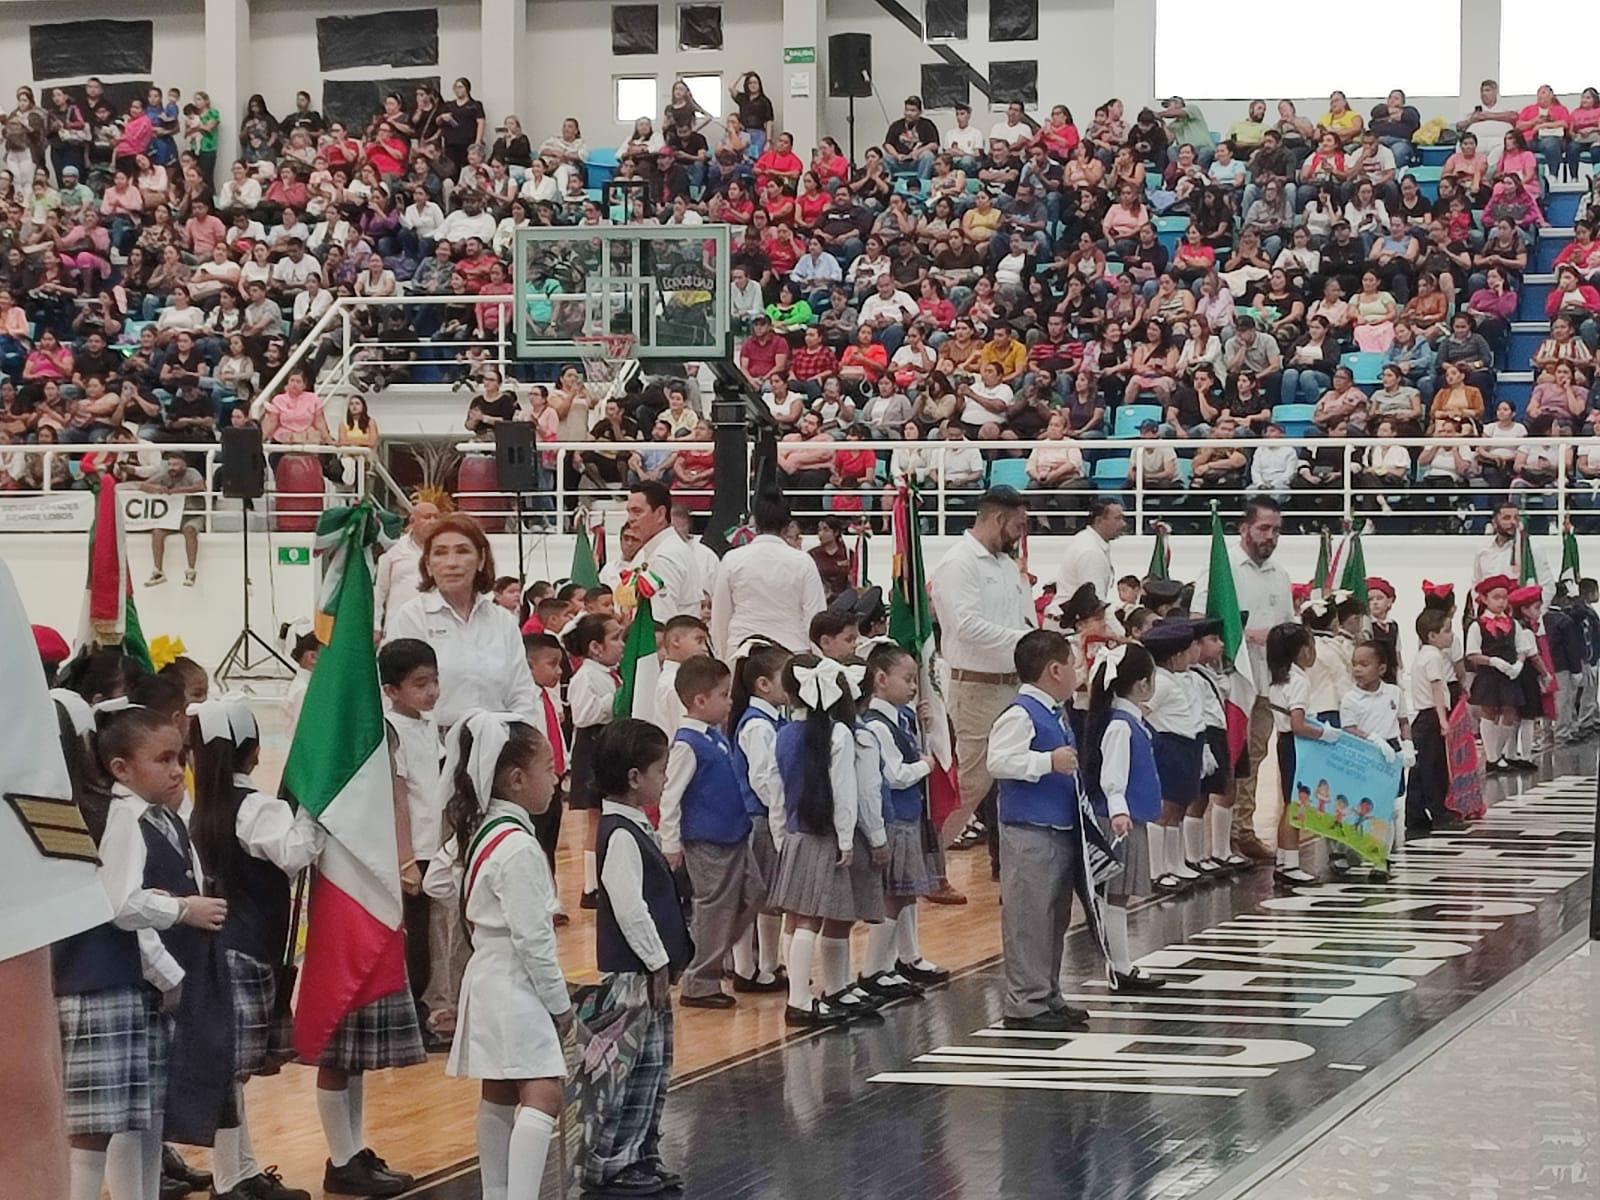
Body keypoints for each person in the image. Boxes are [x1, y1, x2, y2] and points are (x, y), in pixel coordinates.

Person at [56, 705, 228, 1200]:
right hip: (104, 982)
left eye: (180, 756)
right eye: (163, 759)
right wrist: (181, 910)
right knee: (95, 1130)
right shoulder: (119, 814)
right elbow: (121, 903)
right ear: (118, 767)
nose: (177, 769)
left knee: (140, 1116)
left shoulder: (134, 814)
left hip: (104, 982)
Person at [438, 711, 570, 1200]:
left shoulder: (481, 830)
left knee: (497, 1090)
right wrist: (560, 1004)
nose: (556, 780)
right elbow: (534, 940)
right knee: (543, 1092)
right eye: (549, 769)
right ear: (516, 779)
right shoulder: (518, 846)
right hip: (515, 981)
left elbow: (436, 881)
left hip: (486, 974)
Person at [590, 719, 691, 1194]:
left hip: (647, 974)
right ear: (634, 777)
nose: (665, 778)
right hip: (633, 976)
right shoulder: (620, 834)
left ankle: (642, 1153)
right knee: (630, 1071)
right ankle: (614, 1162)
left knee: (654, 1069)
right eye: (660, 770)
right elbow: (629, 906)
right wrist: (656, 961)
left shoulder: (634, 826)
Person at [986, 630, 1093, 1031]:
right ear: (1055, 670)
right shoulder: (1021, 713)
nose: (1077, 673)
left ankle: (1048, 993)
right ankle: (1025, 1003)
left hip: (1057, 826)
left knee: (1054, 917)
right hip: (1029, 830)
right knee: (1029, 917)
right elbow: (998, 761)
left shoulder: (1052, 711)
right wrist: (1047, 762)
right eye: (1073, 665)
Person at [928, 487, 1036, 868]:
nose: (1020, 533)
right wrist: (1026, 640)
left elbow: (1022, 619)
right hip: (975, 686)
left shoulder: (1006, 565)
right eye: (1018, 525)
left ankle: (1009, 867)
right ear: (997, 518)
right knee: (970, 785)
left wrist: (1038, 642)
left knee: (1017, 778)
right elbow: (966, 626)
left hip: (1014, 684)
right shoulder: (958, 563)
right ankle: (929, 864)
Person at [656, 655, 760, 1011]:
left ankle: (714, 955)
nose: (730, 701)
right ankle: (700, 980)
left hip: (733, 833)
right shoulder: (687, 743)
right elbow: (670, 796)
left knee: (754, 893)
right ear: (700, 701)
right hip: (708, 840)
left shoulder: (714, 736)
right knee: (714, 907)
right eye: (723, 695)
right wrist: (670, 842)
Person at [769, 654, 867, 1028]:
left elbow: (775, 792)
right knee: (810, 919)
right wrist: (846, 839)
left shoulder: (783, 734)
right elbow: (844, 793)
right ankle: (799, 1001)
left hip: (794, 834)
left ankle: (799, 994)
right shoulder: (838, 734)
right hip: (822, 835)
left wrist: (781, 835)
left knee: (794, 919)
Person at [855, 642, 950, 998]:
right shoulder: (877, 725)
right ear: (881, 679)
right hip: (894, 818)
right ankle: (874, 969)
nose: (913, 687)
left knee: (906, 894)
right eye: (907, 679)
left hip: (909, 816)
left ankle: (902, 959)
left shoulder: (899, 718)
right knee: (893, 896)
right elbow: (893, 775)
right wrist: (924, 766)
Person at [379, 639, 459, 1053]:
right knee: (415, 941)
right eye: (420, 683)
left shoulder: (429, 724)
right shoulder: (391, 730)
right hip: (414, 852)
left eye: (434, 681)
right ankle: (410, 1015)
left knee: (436, 936)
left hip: (437, 846)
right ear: (392, 691)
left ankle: (431, 1009)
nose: (431, 691)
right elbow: (398, 798)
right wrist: (405, 858)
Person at [385, 515, 538, 730]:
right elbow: (399, 697)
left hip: (499, 741)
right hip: (433, 743)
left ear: (481, 560)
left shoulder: (502, 621)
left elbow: (522, 694)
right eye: (440, 553)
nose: (452, 563)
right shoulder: (411, 618)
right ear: (428, 564)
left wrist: (519, 739)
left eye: (462, 551)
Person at [1082, 641, 1167, 992]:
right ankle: (1119, 966)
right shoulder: (1120, 725)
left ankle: (1120, 965)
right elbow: (1112, 775)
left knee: (1118, 895)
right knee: (1115, 894)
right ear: (1143, 684)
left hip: (1128, 816)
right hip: (1119, 819)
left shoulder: (1128, 720)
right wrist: (1118, 810)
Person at [727, 641, 792, 993]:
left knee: (769, 896)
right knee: (755, 896)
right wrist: (781, 814)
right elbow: (764, 779)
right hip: (760, 818)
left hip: (767, 816)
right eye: (786, 677)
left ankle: (768, 964)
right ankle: (746, 969)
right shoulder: (757, 725)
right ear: (763, 684)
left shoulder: (773, 720)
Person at [1266, 622, 1338, 886]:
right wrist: (1324, 733)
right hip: (1295, 744)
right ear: (1302, 650)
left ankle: (1283, 860)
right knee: (1295, 804)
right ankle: (1291, 865)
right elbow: (1298, 724)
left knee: (1289, 803)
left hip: (1284, 742)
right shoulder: (1298, 681)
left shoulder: (1279, 679)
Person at [709, 499, 827, 655]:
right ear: (787, 527)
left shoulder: (732, 559)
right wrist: (816, 659)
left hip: (742, 649)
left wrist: (724, 656)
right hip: (791, 649)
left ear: (755, 525)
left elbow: (720, 615)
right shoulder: (803, 561)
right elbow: (815, 614)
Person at [564, 612, 624, 911]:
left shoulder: (611, 674)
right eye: (615, 638)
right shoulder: (585, 677)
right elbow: (584, 715)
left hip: (610, 747)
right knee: (595, 820)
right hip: (592, 749)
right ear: (595, 647)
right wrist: (618, 698)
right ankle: (591, 886)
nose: (622, 644)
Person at [1405, 607, 1461, 835]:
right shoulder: (1434, 657)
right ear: (1432, 635)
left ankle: (1415, 814)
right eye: (1446, 631)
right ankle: (1439, 812)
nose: (1450, 635)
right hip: (1431, 715)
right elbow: (1437, 688)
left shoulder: (1422, 655)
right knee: (1434, 767)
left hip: (1423, 717)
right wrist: (1443, 720)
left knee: (1420, 768)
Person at [374, 501, 441, 636]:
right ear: (412, 521)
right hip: (398, 627)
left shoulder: (444, 552)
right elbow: (380, 591)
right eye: (427, 517)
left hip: (435, 628)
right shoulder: (394, 552)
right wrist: (376, 626)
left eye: (436, 517)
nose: (432, 522)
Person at [141, 450, 204, 587]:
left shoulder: (192, 473)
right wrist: (157, 488)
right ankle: (158, 571)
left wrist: (176, 492)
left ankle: (191, 571)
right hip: (173, 515)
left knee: (189, 530)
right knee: (157, 532)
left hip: (192, 513)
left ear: (184, 464)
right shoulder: (166, 474)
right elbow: (143, 485)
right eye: (169, 464)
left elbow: (200, 486)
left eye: (175, 464)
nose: (171, 468)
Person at [1055, 497, 1126, 616]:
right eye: (1117, 518)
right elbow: (1094, 603)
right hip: (1073, 621)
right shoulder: (1091, 552)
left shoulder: (1086, 539)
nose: (1123, 524)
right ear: (1099, 520)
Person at [1473, 502, 1554, 605]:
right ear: (1494, 523)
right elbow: (1476, 584)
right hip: (1489, 611)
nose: (1513, 522)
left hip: (1521, 610)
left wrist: (1536, 611)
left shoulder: (1531, 549)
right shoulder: (1483, 550)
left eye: (1516, 518)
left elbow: (1547, 586)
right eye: (1507, 518)